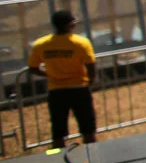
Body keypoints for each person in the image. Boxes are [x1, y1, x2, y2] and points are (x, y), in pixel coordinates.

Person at [27, 10, 98, 148]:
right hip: (79, 88)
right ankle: (92, 152)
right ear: (69, 25)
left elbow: (33, 68)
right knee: (87, 128)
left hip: (56, 90)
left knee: (58, 129)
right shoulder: (81, 42)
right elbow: (90, 65)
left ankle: (57, 155)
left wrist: (50, 74)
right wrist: (90, 81)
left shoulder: (41, 44)